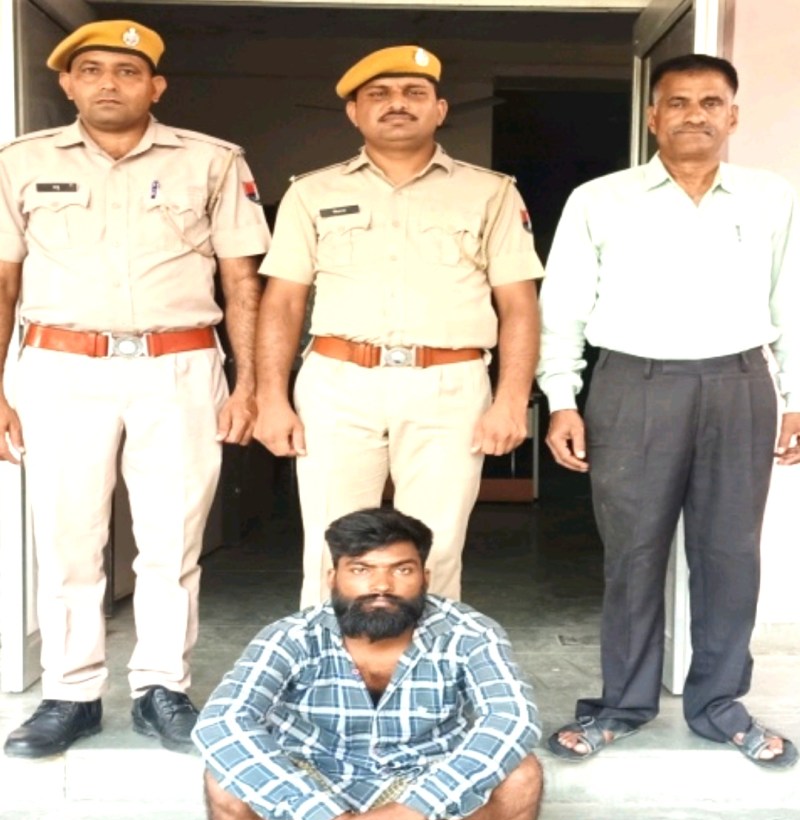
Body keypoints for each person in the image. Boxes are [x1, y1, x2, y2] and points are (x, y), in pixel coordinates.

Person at [0, 20, 270, 758]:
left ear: (156, 85)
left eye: (126, 71)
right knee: (67, 540)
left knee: (171, 540)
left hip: (177, 366)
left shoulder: (211, 161)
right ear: (67, 84)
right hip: (61, 367)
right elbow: (4, 282)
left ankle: (161, 688)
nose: (108, 84)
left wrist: (248, 384)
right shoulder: (20, 163)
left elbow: (242, 279)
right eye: (91, 70)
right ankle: (70, 693)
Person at [537, 53, 800, 769]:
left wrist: (795, 397)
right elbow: (562, 305)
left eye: (710, 102)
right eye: (678, 102)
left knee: (730, 553)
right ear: (653, 117)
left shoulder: (771, 196)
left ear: (732, 117)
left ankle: (719, 705)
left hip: (740, 383)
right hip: (633, 384)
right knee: (634, 552)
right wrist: (561, 398)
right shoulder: (600, 199)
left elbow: (791, 298)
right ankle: (622, 703)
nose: (694, 115)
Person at [194, 507, 542, 820]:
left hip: (421, 787)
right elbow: (222, 722)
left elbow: (514, 720)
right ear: (333, 576)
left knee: (521, 774)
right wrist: (320, 814)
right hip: (312, 784)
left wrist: (409, 810)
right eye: (361, 569)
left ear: (425, 576)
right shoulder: (291, 635)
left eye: (402, 569)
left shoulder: (469, 632)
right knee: (224, 776)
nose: (382, 585)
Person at [253, 45, 542, 609]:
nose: (397, 104)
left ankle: (427, 662)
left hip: (449, 386)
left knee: (437, 547)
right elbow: (282, 302)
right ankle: (328, 660)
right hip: (338, 383)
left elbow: (519, 305)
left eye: (414, 93)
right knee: (332, 546)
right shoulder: (312, 192)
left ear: (440, 109)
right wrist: (271, 397)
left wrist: (511, 400)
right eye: (379, 95)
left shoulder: (491, 192)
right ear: (354, 113)